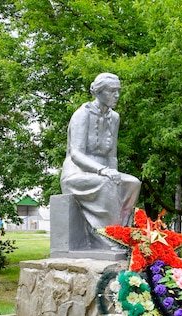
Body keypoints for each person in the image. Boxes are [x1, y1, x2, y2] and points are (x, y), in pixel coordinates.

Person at [60, 73, 141, 250]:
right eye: (112, 91)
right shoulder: (82, 114)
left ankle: (121, 233)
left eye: (118, 91)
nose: (117, 95)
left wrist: (115, 175)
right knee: (107, 184)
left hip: (103, 171)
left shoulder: (115, 117)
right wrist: (103, 172)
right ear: (99, 92)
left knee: (133, 183)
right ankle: (107, 237)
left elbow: (112, 155)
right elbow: (76, 154)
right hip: (77, 173)